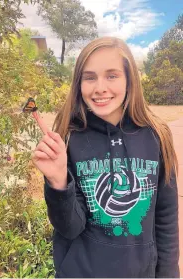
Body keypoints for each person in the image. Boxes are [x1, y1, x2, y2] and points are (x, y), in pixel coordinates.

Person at [32, 37, 179, 278]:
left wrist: (169, 274)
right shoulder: (69, 139)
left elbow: (166, 218)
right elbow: (70, 228)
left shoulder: (157, 136)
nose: (100, 87)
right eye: (89, 77)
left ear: (129, 80)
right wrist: (58, 182)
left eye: (112, 75)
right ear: (79, 84)